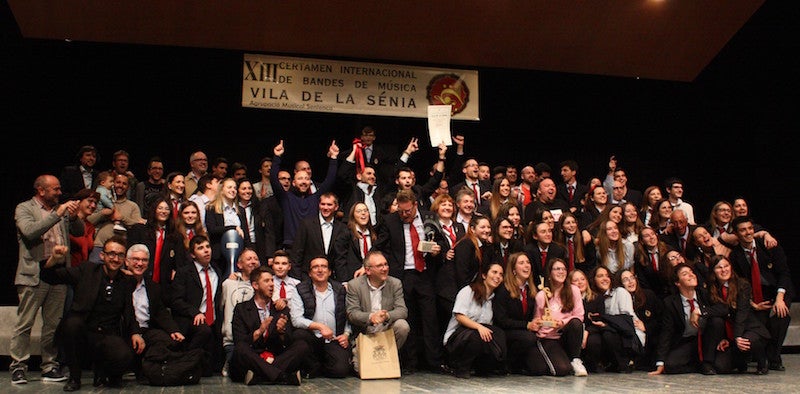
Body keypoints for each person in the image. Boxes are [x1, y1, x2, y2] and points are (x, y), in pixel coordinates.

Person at [39, 236, 138, 391]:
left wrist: (135, 333)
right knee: (72, 324)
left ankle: (103, 371)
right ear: (102, 255)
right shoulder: (87, 271)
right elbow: (50, 276)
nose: (115, 258)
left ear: (124, 259)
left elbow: (129, 310)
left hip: (107, 334)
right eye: (111, 254)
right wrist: (54, 259)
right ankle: (74, 377)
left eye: (120, 255)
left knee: (124, 356)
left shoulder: (127, 281)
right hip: (83, 332)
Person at [10, 174, 82, 385]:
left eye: (60, 189)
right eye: (55, 189)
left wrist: (75, 216)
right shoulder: (24, 209)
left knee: (53, 324)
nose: (60, 193)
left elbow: (78, 231)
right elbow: (30, 232)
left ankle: (49, 366)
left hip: (58, 272)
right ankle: (18, 367)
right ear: (41, 191)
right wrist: (57, 214)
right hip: (34, 273)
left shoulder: (60, 210)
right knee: (25, 323)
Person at [375, 189, 447, 374]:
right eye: (401, 211)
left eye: (408, 211)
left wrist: (438, 250)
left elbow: (442, 241)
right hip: (402, 276)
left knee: (430, 319)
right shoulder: (391, 220)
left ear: (415, 205)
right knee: (408, 319)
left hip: (425, 274)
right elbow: (380, 246)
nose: (404, 215)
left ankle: (434, 362)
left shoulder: (429, 216)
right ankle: (410, 363)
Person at [728, 215, 793, 372]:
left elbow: (784, 273)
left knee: (780, 315)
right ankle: (761, 356)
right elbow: (739, 285)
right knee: (758, 321)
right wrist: (753, 304)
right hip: (754, 296)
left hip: (777, 290)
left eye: (750, 229)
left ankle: (774, 357)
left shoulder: (769, 245)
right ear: (736, 234)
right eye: (743, 230)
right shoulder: (734, 256)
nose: (748, 233)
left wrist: (779, 298)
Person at [230, 266, 309, 386]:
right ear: (255, 285)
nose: (272, 284)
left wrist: (281, 332)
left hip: (275, 357)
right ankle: (283, 376)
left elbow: (287, 343)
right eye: (266, 281)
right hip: (253, 357)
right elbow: (240, 341)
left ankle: (259, 376)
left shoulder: (280, 309)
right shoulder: (242, 309)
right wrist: (259, 331)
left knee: (301, 345)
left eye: (272, 280)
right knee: (240, 349)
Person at [123, 243, 186, 382]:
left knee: (170, 341)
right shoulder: (120, 283)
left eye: (144, 260)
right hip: (125, 330)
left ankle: (146, 368)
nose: (140, 263)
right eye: (136, 259)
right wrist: (135, 333)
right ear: (126, 262)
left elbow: (160, 312)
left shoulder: (153, 287)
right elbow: (126, 313)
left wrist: (173, 330)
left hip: (146, 330)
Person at [345, 251, 410, 374]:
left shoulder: (395, 283)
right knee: (360, 370)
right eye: (380, 266)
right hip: (365, 331)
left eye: (386, 264)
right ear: (368, 270)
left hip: (386, 329)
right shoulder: (355, 285)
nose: (385, 268)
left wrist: (386, 316)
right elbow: (352, 313)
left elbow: (402, 310)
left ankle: (388, 358)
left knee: (402, 326)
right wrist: (371, 317)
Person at [288, 256, 352, 378]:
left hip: (334, 339)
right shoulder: (300, 289)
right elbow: (296, 319)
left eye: (323, 266)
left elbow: (348, 315)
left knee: (340, 371)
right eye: (315, 267)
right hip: (312, 339)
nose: (320, 270)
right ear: (310, 273)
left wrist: (346, 334)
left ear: (329, 272)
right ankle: (314, 365)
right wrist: (320, 326)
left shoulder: (340, 289)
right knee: (298, 335)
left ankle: (318, 367)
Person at [169, 235, 224, 376]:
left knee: (210, 369)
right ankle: (182, 362)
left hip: (213, 319)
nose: (206, 251)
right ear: (193, 254)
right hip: (190, 318)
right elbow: (176, 300)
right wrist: (195, 312)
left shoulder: (216, 271)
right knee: (204, 331)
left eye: (207, 247)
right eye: (200, 248)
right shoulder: (184, 272)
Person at [270, 139, 340, 249]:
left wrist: (334, 158)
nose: (303, 181)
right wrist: (277, 157)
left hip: (312, 246)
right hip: (291, 246)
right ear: (293, 182)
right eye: (300, 178)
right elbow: (274, 179)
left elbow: (330, 180)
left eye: (307, 179)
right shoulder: (286, 198)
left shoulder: (315, 198)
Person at [706, 255, 770, 374]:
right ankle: (741, 360)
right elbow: (719, 312)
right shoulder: (711, 289)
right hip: (730, 333)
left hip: (748, 328)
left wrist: (737, 337)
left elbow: (742, 314)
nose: (724, 270)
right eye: (719, 267)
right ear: (713, 271)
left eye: (726, 266)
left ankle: (762, 361)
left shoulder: (742, 285)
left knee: (747, 340)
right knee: (720, 367)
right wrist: (725, 338)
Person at [443, 261, 507, 378]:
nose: (497, 276)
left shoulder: (493, 299)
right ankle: (460, 367)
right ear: (484, 275)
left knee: (498, 333)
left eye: (501, 274)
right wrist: (479, 327)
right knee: (477, 335)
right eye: (494, 272)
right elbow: (459, 316)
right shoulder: (468, 291)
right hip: (457, 339)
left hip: (477, 340)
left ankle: (484, 367)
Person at [492, 252, 552, 375]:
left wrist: (536, 322)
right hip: (506, 332)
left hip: (525, 333)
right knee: (529, 338)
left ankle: (520, 363)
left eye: (528, 262)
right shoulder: (504, 289)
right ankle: (507, 363)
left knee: (539, 369)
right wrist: (526, 325)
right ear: (513, 269)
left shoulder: (531, 289)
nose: (526, 266)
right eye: (521, 263)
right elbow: (501, 320)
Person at [532, 258, 587, 377]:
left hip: (566, 336)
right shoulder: (542, 295)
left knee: (576, 322)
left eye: (563, 269)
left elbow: (579, 316)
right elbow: (538, 320)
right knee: (562, 370)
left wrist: (562, 322)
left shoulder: (574, 290)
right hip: (549, 337)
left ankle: (575, 360)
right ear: (550, 273)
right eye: (557, 269)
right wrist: (539, 323)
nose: (561, 272)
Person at [438, 215, 494, 329]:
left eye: (488, 227)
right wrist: (468, 297)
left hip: (465, 290)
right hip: (451, 292)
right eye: (482, 227)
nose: (486, 230)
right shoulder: (466, 244)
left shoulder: (484, 246)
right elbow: (461, 273)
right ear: (473, 229)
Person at [586, 266, 644, 373]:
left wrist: (606, 323)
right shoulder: (595, 297)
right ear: (593, 280)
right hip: (613, 334)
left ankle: (624, 364)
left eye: (607, 276)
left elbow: (626, 321)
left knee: (607, 333)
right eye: (600, 276)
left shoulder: (620, 292)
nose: (605, 278)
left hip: (629, 338)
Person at [220, 247, 261, 377]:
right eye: (249, 259)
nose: (253, 262)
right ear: (239, 264)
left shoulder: (264, 285)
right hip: (232, 340)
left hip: (255, 339)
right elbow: (221, 307)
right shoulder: (228, 284)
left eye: (256, 259)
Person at [88, 173, 145, 263]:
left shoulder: (132, 206)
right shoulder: (100, 202)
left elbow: (138, 225)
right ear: (112, 183)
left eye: (124, 183)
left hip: (120, 250)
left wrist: (121, 217)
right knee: (92, 275)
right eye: (118, 182)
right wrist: (102, 213)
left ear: (128, 187)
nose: (120, 185)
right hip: (99, 246)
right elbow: (88, 220)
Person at [290, 192, 347, 281]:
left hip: (331, 279)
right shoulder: (306, 224)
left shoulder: (342, 228)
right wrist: (296, 279)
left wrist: (343, 280)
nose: (325, 207)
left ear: (336, 207)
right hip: (307, 277)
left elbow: (341, 257)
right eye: (322, 204)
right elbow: (297, 253)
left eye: (329, 204)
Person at [126, 196, 180, 289]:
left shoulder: (175, 236)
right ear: (154, 210)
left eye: (167, 209)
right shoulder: (140, 230)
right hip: (139, 280)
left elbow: (180, 261)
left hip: (164, 285)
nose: (163, 211)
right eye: (160, 208)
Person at [618, 268, 663, 372]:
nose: (630, 281)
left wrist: (646, 327)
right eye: (625, 280)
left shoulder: (648, 295)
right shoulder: (620, 300)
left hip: (651, 339)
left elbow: (661, 320)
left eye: (632, 278)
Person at [205, 177, 245, 277]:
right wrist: (233, 228)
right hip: (219, 255)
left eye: (235, 188)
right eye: (229, 187)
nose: (233, 190)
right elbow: (212, 229)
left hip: (239, 254)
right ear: (222, 190)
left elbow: (246, 234)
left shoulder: (240, 210)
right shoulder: (212, 207)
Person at [333, 202, 378, 282]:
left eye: (365, 210)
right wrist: (344, 281)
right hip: (353, 278)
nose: (363, 213)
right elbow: (340, 260)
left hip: (373, 277)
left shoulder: (374, 234)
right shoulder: (345, 234)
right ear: (353, 216)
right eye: (359, 211)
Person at [237, 177, 277, 264]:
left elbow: (269, 232)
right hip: (241, 247)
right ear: (238, 191)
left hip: (259, 247)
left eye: (249, 188)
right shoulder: (234, 208)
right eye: (244, 188)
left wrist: (270, 255)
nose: (247, 191)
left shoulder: (260, 207)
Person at [633, 226, 673, 298]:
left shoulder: (668, 250)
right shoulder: (639, 257)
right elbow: (643, 281)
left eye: (652, 234)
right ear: (642, 241)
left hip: (671, 290)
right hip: (653, 294)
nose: (651, 237)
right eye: (647, 236)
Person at [524, 220, 567, 286]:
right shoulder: (528, 251)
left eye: (549, 231)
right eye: (543, 232)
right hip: (532, 287)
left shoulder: (559, 250)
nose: (548, 234)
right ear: (535, 236)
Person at [68, 188, 100, 267]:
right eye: (90, 201)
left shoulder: (90, 227)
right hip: (67, 268)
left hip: (81, 269)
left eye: (95, 203)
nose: (93, 205)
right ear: (79, 201)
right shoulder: (67, 222)